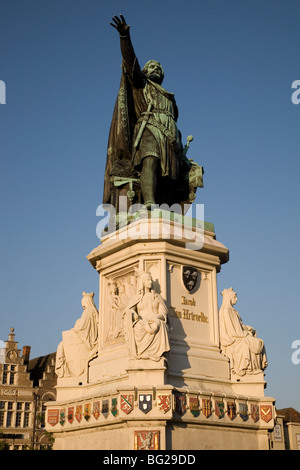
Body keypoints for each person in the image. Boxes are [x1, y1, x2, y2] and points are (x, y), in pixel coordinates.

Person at [103, 15, 187, 209]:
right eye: (151, 66)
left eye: (159, 67)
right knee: (150, 160)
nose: (155, 67)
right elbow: (131, 62)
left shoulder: (169, 97)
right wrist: (125, 36)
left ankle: (165, 206)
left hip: (171, 137)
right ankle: (149, 203)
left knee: (171, 174)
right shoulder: (142, 85)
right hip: (150, 127)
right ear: (145, 72)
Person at [219, 288, 268, 377]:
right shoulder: (226, 310)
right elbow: (231, 330)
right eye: (234, 297)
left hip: (238, 334)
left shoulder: (232, 310)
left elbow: (238, 326)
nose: (236, 299)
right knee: (252, 342)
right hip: (232, 338)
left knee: (259, 341)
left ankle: (255, 368)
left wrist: (247, 329)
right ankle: (247, 368)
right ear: (229, 297)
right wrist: (245, 333)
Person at [122, 271, 170, 361]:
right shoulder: (136, 298)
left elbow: (163, 314)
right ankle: (140, 353)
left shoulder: (157, 297)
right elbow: (129, 311)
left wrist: (155, 318)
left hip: (155, 320)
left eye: (151, 280)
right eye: (148, 280)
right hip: (142, 322)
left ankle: (158, 353)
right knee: (138, 326)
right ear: (142, 282)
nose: (150, 282)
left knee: (161, 324)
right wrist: (133, 314)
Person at [55, 292, 99, 378]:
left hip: (86, 338)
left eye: (83, 303)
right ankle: (65, 370)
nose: (83, 306)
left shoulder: (88, 311)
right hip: (87, 336)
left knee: (61, 345)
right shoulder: (93, 311)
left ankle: (64, 370)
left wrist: (73, 330)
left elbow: (81, 326)